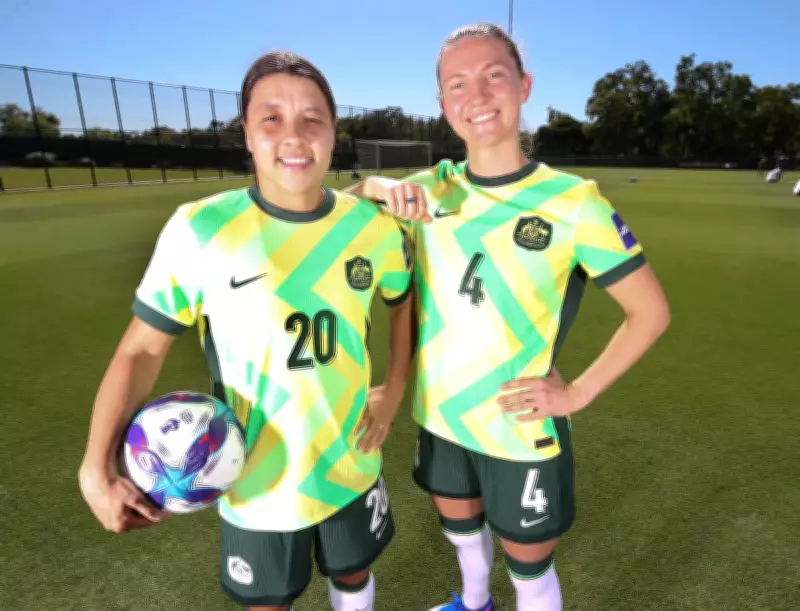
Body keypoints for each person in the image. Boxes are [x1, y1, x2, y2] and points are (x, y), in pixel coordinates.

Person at [346, 23, 671, 611]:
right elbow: (333, 217)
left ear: (524, 86)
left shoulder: (574, 203)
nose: (477, 95)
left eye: (494, 75)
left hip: (519, 428)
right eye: (458, 84)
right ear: (443, 104)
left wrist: (578, 393)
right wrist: (373, 183)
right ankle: (474, 603)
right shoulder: (427, 191)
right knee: (462, 534)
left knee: (530, 570)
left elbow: (649, 312)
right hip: (441, 416)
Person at [77, 51, 414, 611]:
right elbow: (140, 350)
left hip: (351, 461)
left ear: (334, 133)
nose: (294, 135)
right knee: (268, 602)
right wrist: (95, 469)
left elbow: (405, 302)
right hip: (254, 479)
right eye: (271, 118)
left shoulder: (373, 229)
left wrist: (394, 390)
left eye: (312, 118)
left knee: (354, 574)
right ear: (248, 135)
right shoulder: (201, 228)